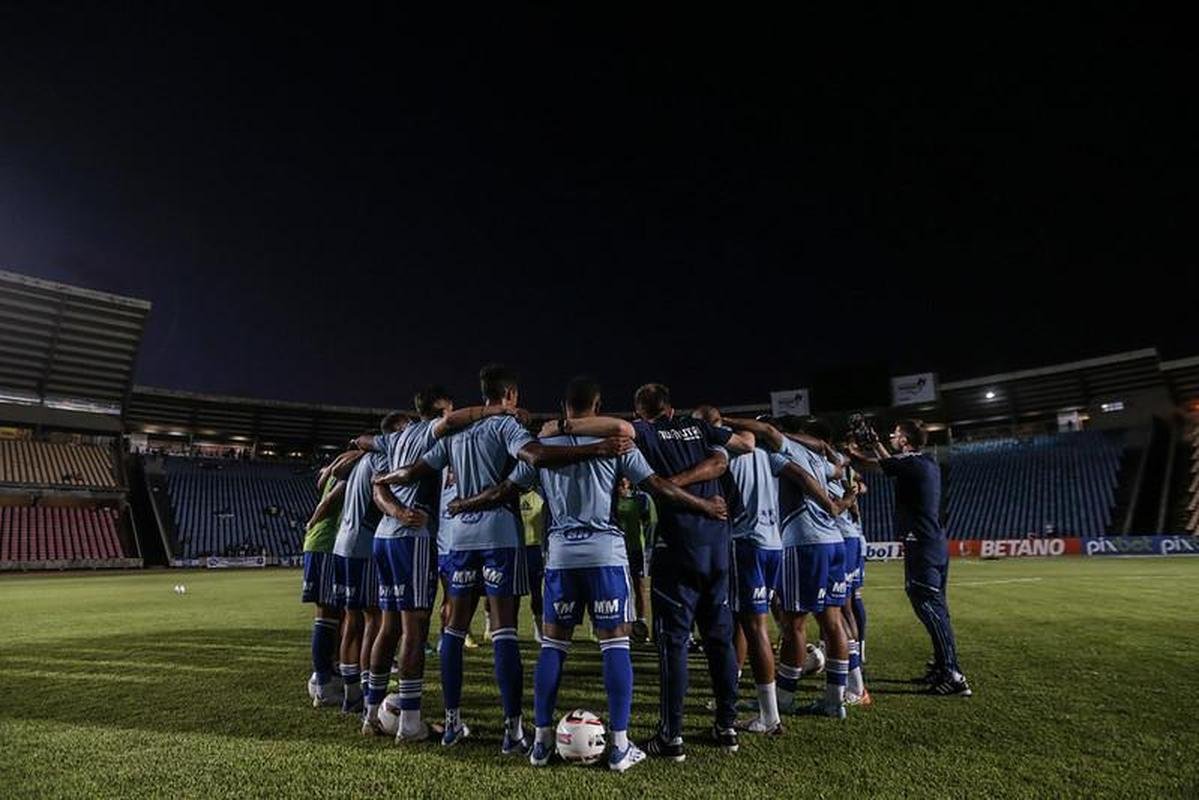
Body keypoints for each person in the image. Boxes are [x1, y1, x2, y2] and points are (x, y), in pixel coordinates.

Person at [449, 376, 727, 772]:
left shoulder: (543, 448)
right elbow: (660, 488)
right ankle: (618, 746)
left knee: (553, 647)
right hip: (605, 554)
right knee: (615, 646)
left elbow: (502, 491)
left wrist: (464, 503)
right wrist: (704, 508)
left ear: (565, 408)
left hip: (561, 555)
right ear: (596, 407)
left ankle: (542, 743)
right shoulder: (618, 445)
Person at [374, 364, 635, 753]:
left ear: (484, 394)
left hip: (459, 537)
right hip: (499, 535)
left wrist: (384, 480)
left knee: (454, 631)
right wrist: (595, 449)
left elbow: (415, 470)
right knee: (504, 631)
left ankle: (451, 724)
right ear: (510, 395)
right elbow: (536, 456)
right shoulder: (507, 426)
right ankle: (513, 732)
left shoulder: (457, 431)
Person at [362, 386, 523, 741]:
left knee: (388, 626)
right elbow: (452, 422)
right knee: (414, 630)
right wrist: (498, 410)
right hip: (413, 536)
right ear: (441, 413)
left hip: (383, 537)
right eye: (450, 412)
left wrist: (384, 484)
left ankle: (370, 713)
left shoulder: (395, 437)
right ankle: (410, 723)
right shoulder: (433, 431)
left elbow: (364, 444)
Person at [630, 383, 754, 761]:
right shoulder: (699, 428)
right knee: (719, 637)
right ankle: (727, 727)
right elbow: (743, 447)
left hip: (677, 546)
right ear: (670, 408)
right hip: (717, 546)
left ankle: (671, 737)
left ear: (640, 413)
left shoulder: (644, 432)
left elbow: (608, 429)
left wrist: (666, 487)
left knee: (674, 643)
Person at [848, 419, 972, 696]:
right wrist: (865, 449)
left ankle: (953, 674)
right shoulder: (923, 462)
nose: (892, 437)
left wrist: (860, 447)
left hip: (923, 544)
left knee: (927, 605)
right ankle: (942, 666)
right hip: (933, 542)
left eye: (895, 434)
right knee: (936, 606)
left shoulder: (913, 462)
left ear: (905, 440)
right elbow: (884, 465)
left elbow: (886, 465)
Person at [694, 408, 786, 735]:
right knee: (744, 623)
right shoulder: (762, 452)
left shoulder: (719, 454)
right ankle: (729, 697)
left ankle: (770, 717)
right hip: (774, 543)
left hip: (745, 543)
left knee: (754, 626)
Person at [768, 415, 857, 719]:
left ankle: (783, 699)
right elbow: (840, 465)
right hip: (834, 542)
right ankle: (835, 701)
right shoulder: (819, 459)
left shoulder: (780, 455)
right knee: (832, 622)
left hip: (804, 543)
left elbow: (799, 476)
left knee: (793, 623)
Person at [330, 414, 410, 713]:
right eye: (405, 429)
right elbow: (379, 494)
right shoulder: (380, 458)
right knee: (373, 620)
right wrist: (399, 511)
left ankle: (351, 693)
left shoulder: (361, 461)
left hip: (343, 544)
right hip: (363, 545)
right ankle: (366, 695)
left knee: (352, 619)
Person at [301, 449, 360, 707]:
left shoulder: (336, 472)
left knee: (333, 614)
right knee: (326, 614)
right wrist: (312, 521)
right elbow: (327, 504)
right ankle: (323, 684)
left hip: (324, 545)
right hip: (325, 544)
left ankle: (325, 676)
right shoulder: (348, 478)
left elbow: (321, 483)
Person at [614, 476, 655, 642]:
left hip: (636, 548)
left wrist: (649, 544)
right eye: (621, 480)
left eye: (626, 480)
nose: (624, 483)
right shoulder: (611, 501)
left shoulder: (640, 499)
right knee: (620, 588)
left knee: (639, 586)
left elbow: (650, 521)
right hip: (617, 550)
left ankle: (641, 624)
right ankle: (622, 623)